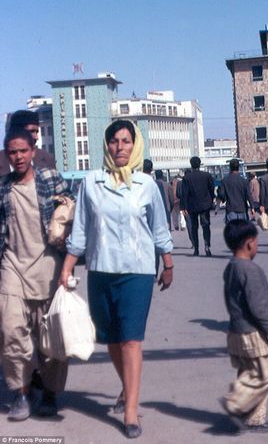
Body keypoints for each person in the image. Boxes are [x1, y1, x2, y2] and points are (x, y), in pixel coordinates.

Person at [59, 119, 173, 438]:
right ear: (106, 146)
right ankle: (127, 386)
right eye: (114, 141)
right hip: (100, 270)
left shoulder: (146, 184)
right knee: (110, 340)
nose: (120, 147)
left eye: (125, 141)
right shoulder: (91, 182)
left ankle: (132, 411)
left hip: (137, 272)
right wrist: (67, 267)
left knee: (131, 339)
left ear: (134, 145)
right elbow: (80, 230)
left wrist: (168, 262)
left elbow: (159, 227)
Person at [0, 127, 71, 420]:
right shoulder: (3, 187)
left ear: (33, 151)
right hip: (12, 267)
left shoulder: (50, 180)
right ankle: (21, 393)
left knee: (51, 339)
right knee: (10, 332)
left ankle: (51, 393)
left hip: (48, 268)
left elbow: (72, 214)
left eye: (23, 151)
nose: (18, 157)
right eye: (12, 152)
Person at [220, 219, 268, 433]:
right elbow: (259, 304)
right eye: (256, 242)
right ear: (249, 243)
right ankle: (241, 407)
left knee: (247, 371)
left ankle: (249, 414)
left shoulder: (231, 267)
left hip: (236, 329)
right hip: (253, 331)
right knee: (267, 371)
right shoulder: (251, 270)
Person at [0, 110, 56, 175]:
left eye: (36, 132)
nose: (36, 137)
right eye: (31, 131)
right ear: (16, 131)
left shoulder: (47, 159)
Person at [181, 156, 215, 256]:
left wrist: (184, 207)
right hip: (205, 205)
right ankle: (207, 246)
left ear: (191, 165)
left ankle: (196, 249)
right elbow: (211, 189)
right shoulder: (207, 176)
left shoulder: (187, 178)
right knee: (206, 226)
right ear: (199, 164)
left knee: (194, 227)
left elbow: (184, 194)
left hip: (192, 206)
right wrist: (211, 200)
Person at [218, 158, 254, 224]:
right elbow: (249, 195)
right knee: (243, 231)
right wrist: (252, 207)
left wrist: (223, 199)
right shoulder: (244, 181)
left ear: (230, 167)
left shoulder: (225, 181)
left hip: (231, 209)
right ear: (238, 167)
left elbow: (222, 195)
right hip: (242, 209)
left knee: (233, 230)